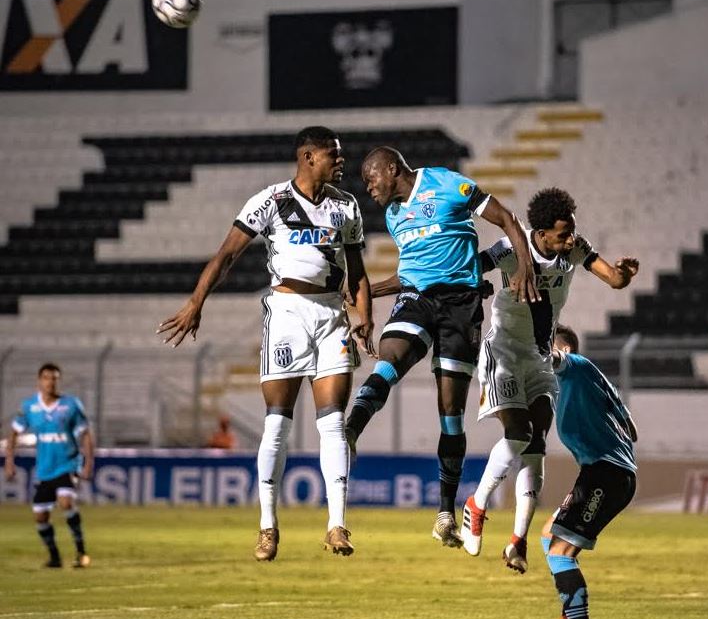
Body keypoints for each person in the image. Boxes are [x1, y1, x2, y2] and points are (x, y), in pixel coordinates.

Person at [157, 126, 374, 561]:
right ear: (308, 157)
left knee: (332, 423)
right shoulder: (269, 201)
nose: (341, 161)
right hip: (287, 314)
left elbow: (357, 268)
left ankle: (336, 525)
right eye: (333, 154)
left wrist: (365, 316)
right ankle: (268, 527)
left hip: (332, 315)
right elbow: (226, 256)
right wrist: (197, 302)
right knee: (279, 421)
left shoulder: (345, 205)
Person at [343, 146, 538, 547]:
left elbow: (507, 220)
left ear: (392, 169)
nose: (369, 188)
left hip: (462, 306)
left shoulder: (447, 184)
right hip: (417, 300)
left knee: (450, 411)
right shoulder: (394, 216)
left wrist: (524, 268)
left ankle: (445, 514)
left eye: (371, 178)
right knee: (391, 357)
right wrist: (365, 295)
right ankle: (348, 432)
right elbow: (412, 274)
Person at [460, 187, 639, 573]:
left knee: (536, 444)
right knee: (519, 433)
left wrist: (624, 275)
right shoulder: (511, 249)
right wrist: (476, 288)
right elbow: (471, 269)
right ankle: (476, 504)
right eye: (562, 234)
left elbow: (612, 279)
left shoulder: (575, 250)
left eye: (571, 232)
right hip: (503, 353)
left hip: (539, 357)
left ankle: (517, 541)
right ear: (540, 233)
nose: (569, 240)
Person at [541, 325, 638, 619]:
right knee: (549, 535)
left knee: (560, 554)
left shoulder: (573, 364)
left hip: (605, 474)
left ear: (564, 350)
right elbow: (627, 421)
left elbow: (552, 357)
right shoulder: (587, 376)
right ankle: (569, 616)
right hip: (601, 471)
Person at [4, 363, 94, 569]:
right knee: (40, 517)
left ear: (58, 381)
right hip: (44, 469)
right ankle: (54, 557)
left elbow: (86, 435)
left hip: (68, 464)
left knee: (66, 502)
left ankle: (81, 552)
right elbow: (14, 434)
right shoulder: (29, 407)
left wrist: (88, 464)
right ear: (39, 381)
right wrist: (9, 462)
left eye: (54, 378)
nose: (50, 382)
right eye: (46, 378)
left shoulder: (71, 405)